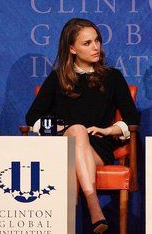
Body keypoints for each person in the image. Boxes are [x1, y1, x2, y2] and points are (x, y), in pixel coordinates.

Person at [25, 18, 139, 234]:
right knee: (76, 130)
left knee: (78, 132)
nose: (95, 47)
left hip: (98, 147)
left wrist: (108, 130)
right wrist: (62, 130)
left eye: (97, 41)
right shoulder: (57, 78)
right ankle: (93, 204)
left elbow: (132, 119)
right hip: (62, 149)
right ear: (71, 48)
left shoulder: (112, 77)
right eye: (87, 43)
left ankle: (88, 208)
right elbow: (32, 117)